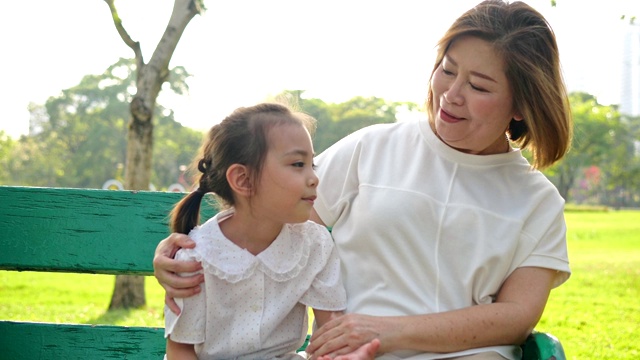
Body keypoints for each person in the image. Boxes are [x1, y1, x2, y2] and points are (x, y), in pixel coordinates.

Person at [153, 1, 573, 359]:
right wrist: (183, 254)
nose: (451, 94)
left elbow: (516, 317)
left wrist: (390, 330)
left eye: (478, 86)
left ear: (521, 105)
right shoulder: (373, 147)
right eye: (447, 70)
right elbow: (264, 217)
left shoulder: (537, 201)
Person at [162, 103, 361, 359]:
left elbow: (331, 334)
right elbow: (180, 351)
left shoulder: (315, 244)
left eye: (313, 165)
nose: (314, 178)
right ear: (243, 180)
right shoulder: (195, 257)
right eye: (298, 164)